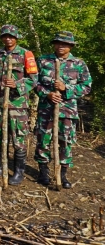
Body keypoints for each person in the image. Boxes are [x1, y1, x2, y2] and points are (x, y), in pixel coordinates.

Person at [34, 31, 92, 189]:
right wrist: (47, 94)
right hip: (46, 109)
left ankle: (62, 174)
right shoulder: (43, 61)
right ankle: (43, 172)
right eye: (58, 43)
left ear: (70, 46)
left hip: (67, 111)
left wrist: (67, 88)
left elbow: (86, 87)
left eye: (65, 44)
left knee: (65, 141)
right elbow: (34, 83)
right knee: (43, 140)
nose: (61, 46)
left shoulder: (79, 64)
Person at [0, 25, 38, 185]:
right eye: (5, 36)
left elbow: (34, 79)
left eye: (11, 36)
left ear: (16, 38)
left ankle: (18, 171)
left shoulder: (25, 54)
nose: (8, 39)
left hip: (17, 105)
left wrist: (17, 85)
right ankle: (1, 166)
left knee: (19, 140)